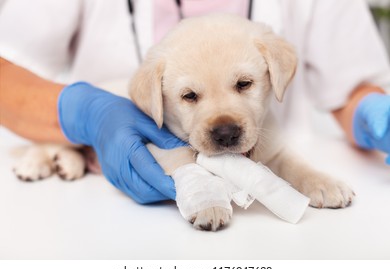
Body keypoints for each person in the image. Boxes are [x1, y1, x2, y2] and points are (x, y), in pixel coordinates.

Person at [1, 0, 389, 204]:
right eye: (190, 96)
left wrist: (373, 112)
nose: (223, 124)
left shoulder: (269, 49)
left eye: (243, 84)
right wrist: (82, 116)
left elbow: (355, 85)